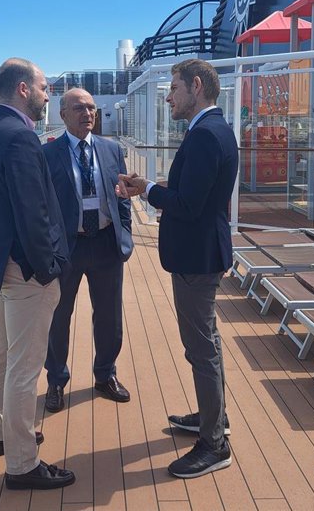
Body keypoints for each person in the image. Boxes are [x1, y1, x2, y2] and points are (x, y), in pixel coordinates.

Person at [117, 59, 238, 479]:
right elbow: (194, 193)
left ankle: (214, 444)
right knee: (209, 343)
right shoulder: (214, 130)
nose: (168, 96)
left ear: (196, 86)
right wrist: (149, 186)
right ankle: (213, 420)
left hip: (196, 259)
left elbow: (188, 205)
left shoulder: (205, 136)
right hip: (203, 254)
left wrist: (148, 190)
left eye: (173, 87)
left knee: (200, 349)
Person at [0, 58, 75, 490]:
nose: (48, 94)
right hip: (25, 269)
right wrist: (46, 268)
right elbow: (32, 213)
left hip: (0, 264)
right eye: (44, 87)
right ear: (22, 89)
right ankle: (22, 464)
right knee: (24, 366)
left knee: (0, 354)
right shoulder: (19, 137)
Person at [43, 88, 133, 412]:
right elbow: (43, 207)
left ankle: (105, 374)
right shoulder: (48, 155)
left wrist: (126, 235)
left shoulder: (111, 149)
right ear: (62, 114)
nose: (88, 113)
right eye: (79, 107)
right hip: (68, 247)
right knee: (58, 316)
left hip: (106, 243)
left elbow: (122, 195)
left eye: (92, 108)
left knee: (109, 316)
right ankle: (56, 380)